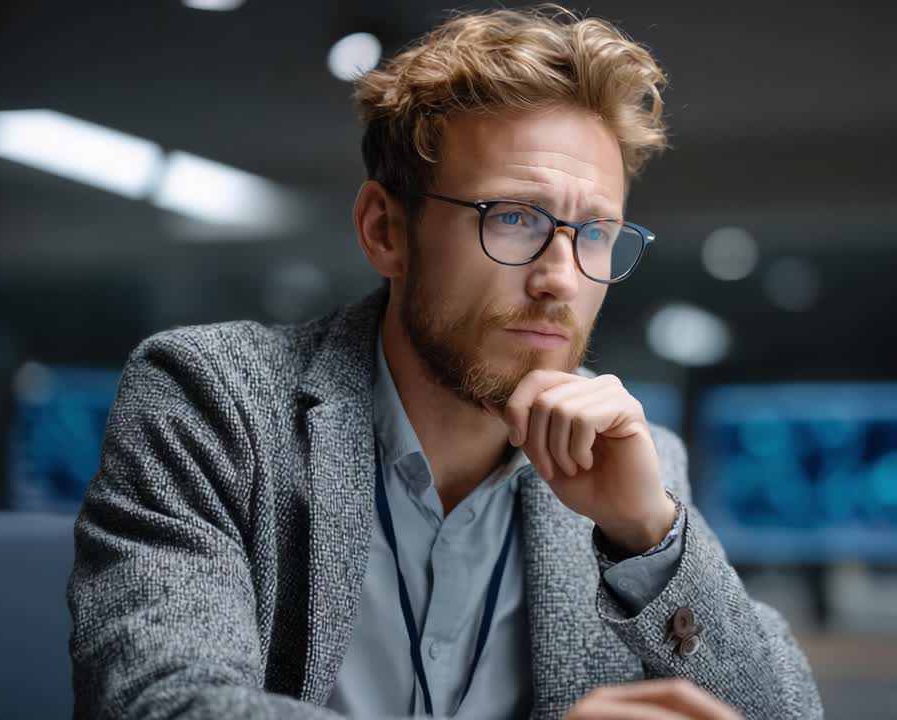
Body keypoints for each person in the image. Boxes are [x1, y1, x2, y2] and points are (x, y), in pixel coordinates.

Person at [66, 6, 822, 719]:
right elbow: (159, 700)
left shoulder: (640, 461)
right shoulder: (213, 401)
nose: (560, 276)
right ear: (385, 231)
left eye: (595, 234)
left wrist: (650, 539)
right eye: (516, 218)